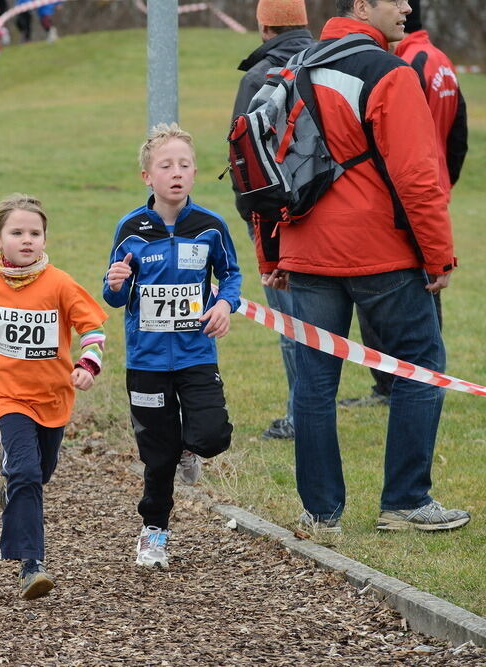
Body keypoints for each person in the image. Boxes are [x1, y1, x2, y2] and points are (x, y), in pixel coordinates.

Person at [256, 0, 468, 536]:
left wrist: (272, 254)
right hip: (381, 256)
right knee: (420, 367)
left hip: (304, 252)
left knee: (313, 382)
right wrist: (439, 255)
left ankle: (321, 514)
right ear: (361, 6)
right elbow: (418, 178)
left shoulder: (292, 68)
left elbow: (258, 169)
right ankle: (405, 502)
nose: (407, 7)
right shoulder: (389, 73)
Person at [0, 194, 107, 599]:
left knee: (39, 472)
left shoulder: (59, 283)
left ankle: (13, 490)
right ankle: (31, 564)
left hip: (53, 397)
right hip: (6, 395)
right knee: (25, 472)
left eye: (34, 233)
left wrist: (88, 364)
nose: (27, 240)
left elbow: (93, 330)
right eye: (16, 232)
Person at [104, 124, 241, 569]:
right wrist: (116, 284)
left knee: (214, 436)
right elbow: (114, 294)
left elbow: (232, 275)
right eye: (166, 166)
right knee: (157, 456)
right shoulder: (131, 229)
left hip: (197, 352)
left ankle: (190, 449)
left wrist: (224, 303)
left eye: (184, 165)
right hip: (146, 360)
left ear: (195, 173)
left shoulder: (210, 226)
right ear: (148, 176)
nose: (175, 173)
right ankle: (153, 533)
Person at [342, 0, 469, 409]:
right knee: (426, 301)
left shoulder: (402, 60)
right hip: (429, 192)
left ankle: (394, 386)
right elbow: (460, 132)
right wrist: (444, 181)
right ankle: (422, 380)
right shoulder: (441, 59)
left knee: (406, 303)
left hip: (407, 198)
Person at [229, 0, 314, 440]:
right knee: (318, 319)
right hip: (325, 209)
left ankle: (302, 418)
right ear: (303, 23)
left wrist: (249, 215)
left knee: (291, 321)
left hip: (274, 214)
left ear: (264, 26)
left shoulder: (258, 77)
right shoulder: (324, 64)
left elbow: (243, 156)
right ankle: (315, 410)